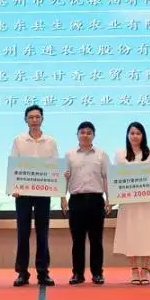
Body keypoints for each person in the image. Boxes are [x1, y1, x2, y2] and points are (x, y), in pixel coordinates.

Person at [113, 122, 150, 285]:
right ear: (127, 135)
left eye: (138, 133)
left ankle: (145, 268)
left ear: (143, 136)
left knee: (147, 233)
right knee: (131, 234)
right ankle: (134, 269)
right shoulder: (120, 154)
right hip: (128, 202)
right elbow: (116, 178)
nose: (135, 136)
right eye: (132, 133)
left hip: (146, 201)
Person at [11, 104, 58, 287]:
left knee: (42, 233)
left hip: (43, 192)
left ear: (42, 119)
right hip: (22, 193)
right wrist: (14, 187)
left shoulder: (50, 141)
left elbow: (55, 166)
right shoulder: (19, 140)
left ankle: (43, 272)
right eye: (31, 117)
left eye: (37, 117)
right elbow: (14, 165)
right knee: (23, 233)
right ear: (26, 120)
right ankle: (22, 273)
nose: (34, 120)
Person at [61, 121, 110, 285]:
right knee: (77, 240)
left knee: (96, 240)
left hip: (96, 200)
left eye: (89, 132)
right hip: (76, 200)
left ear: (94, 135)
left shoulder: (101, 154)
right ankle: (77, 274)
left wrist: (110, 199)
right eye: (82, 132)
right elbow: (64, 178)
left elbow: (107, 178)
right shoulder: (69, 155)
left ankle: (97, 273)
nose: (85, 135)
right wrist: (62, 197)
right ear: (77, 135)